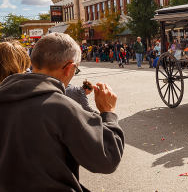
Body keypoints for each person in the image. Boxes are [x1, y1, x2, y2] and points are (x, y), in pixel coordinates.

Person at [0, 33, 124, 191]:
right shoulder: (63, 108)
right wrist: (108, 113)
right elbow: (107, 159)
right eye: (75, 71)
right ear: (68, 68)